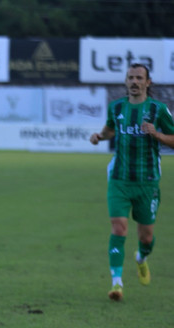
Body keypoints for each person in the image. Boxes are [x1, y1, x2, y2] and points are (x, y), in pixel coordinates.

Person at [90, 63, 174, 301]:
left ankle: (141, 258)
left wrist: (157, 134)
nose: (134, 82)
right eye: (130, 78)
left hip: (147, 182)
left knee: (146, 237)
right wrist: (99, 136)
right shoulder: (116, 107)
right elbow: (109, 131)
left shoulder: (158, 110)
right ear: (126, 82)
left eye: (139, 78)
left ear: (148, 83)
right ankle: (116, 284)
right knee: (119, 227)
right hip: (119, 179)